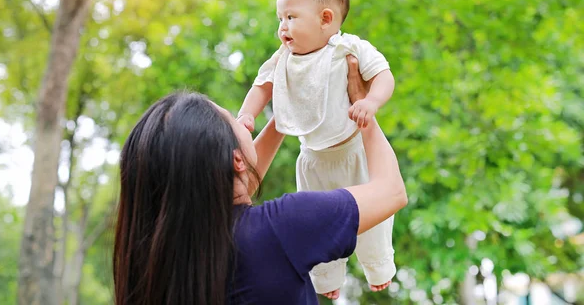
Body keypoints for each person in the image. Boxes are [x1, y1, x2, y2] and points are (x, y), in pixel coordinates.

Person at [113, 56, 407, 305]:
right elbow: (392, 192)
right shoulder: (283, 227)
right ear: (236, 160)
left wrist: (288, 111)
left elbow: (231, 191)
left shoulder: (155, 262)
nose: (244, 121)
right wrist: (361, 105)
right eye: (233, 119)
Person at [237, 0, 397, 297]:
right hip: (311, 158)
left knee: (373, 222)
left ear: (325, 19)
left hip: (352, 152)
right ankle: (327, 280)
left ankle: (378, 265)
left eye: (291, 17)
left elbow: (383, 75)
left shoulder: (346, 49)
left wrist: (371, 104)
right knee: (315, 227)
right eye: (280, 18)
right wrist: (246, 115)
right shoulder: (283, 57)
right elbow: (261, 87)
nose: (282, 27)